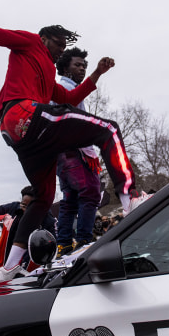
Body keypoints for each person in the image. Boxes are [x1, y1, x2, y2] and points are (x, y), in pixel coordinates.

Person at [0, 17, 149, 281]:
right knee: (108, 130)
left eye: (64, 48)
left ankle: (7, 268)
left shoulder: (47, 75)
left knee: (44, 196)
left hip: (20, 136)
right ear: (44, 38)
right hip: (24, 114)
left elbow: (68, 98)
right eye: (58, 45)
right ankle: (130, 198)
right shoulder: (30, 42)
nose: (60, 52)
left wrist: (97, 74)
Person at [54, 47, 103, 256]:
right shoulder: (66, 89)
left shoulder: (61, 89)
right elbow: (76, 121)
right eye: (78, 65)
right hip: (74, 151)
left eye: (84, 66)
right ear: (65, 67)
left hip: (61, 154)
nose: (82, 69)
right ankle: (84, 241)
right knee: (90, 192)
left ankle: (64, 243)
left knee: (70, 199)